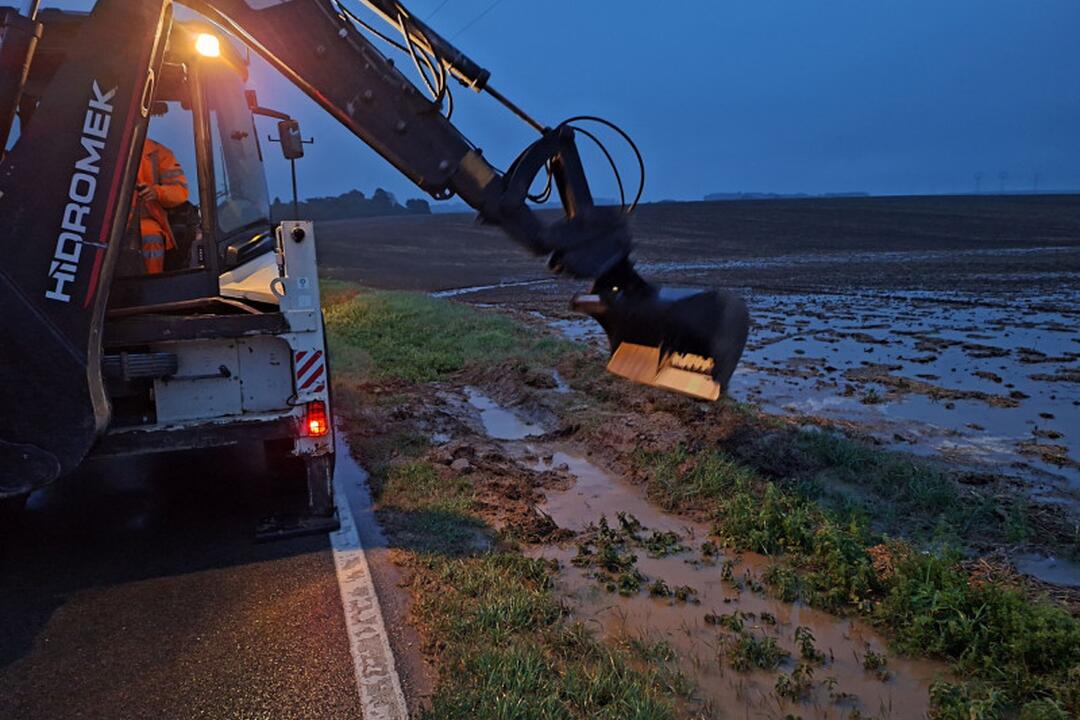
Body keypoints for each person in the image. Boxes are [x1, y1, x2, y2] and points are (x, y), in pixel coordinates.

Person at [133, 137, 189, 273]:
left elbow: (180, 191)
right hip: (103, 220)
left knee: (150, 235)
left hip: (142, 219)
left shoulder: (159, 153)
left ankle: (152, 285)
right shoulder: (102, 146)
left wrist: (156, 192)